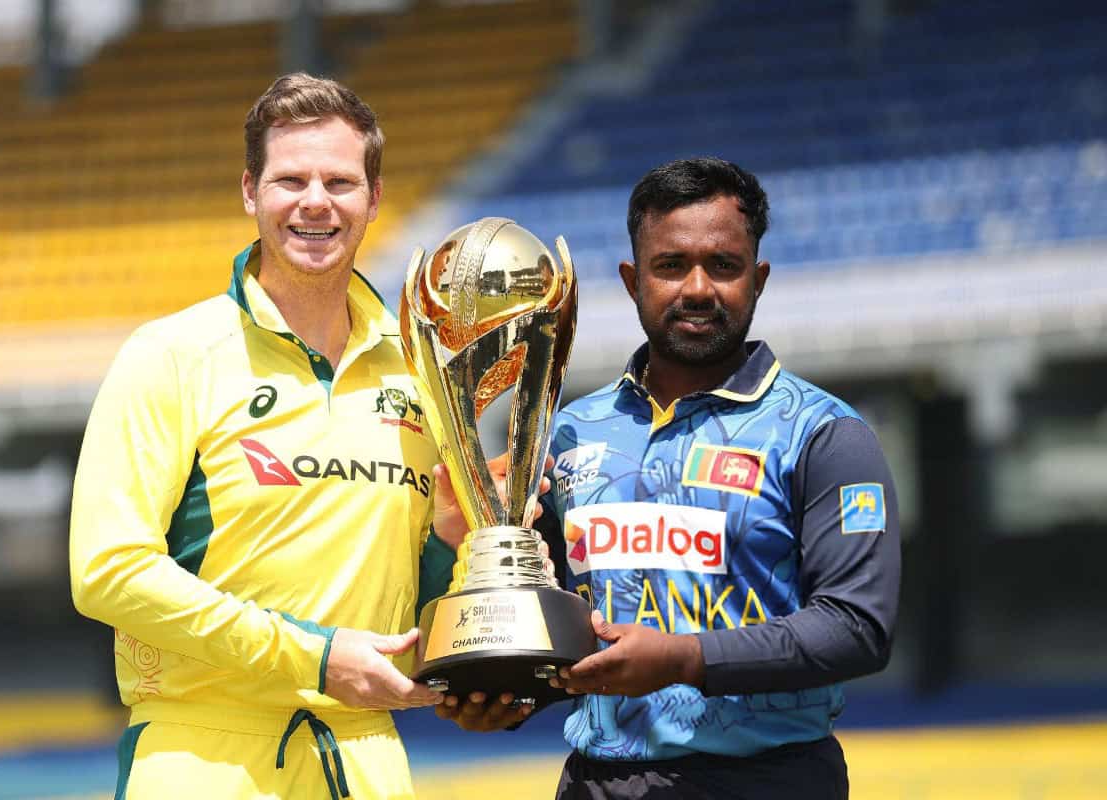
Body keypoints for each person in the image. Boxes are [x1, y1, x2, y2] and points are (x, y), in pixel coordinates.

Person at [438, 157, 901, 799]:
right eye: (671, 265)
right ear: (633, 280)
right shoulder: (567, 432)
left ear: (758, 279)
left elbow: (856, 626)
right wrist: (506, 692)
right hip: (597, 785)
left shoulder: (823, 433)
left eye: (725, 265)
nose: (698, 288)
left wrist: (684, 658)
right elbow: (559, 630)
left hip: (770, 782)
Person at [70, 73, 470, 800]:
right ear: (250, 192)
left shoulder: (423, 373)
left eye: (340, 181)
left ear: (374, 199)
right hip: (203, 753)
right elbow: (108, 571)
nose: (316, 201)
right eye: (291, 180)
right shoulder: (171, 353)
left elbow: (417, 608)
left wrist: (450, 545)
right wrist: (314, 658)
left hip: (367, 754)